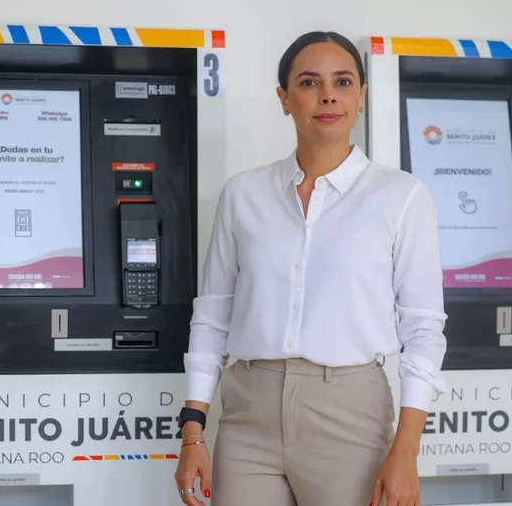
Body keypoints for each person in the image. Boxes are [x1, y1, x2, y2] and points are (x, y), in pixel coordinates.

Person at [174, 31, 448, 506]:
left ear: (361, 96)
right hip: (247, 416)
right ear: (284, 99)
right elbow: (213, 316)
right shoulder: (243, 194)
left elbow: (424, 328)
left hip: (350, 414)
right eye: (308, 82)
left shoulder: (401, 197)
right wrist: (193, 431)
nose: (327, 95)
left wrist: (406, 450)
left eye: (343, 82)